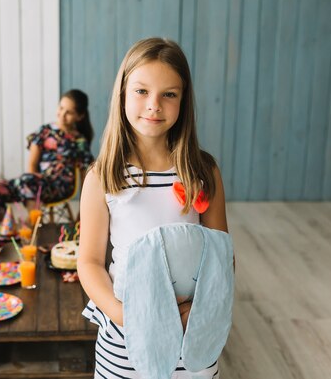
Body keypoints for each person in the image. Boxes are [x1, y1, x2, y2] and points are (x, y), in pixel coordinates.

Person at [77, 38, 230, 379]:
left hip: (194, 336)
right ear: (123, 94)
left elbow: (222, 255)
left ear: (183, 100)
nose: (154, 105)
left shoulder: (203, 171)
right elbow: (88, 262)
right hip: (128, 339)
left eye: (169, 94)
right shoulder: (103, 176)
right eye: (142, 91)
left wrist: (202, 309)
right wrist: (123, 315)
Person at [0, 89, 95, 219]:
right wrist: (32, 186)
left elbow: (85, 177)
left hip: (59, 188)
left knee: (29, 181)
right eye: (61, 108)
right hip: (36, 183)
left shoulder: (79, 141)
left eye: (69, 112)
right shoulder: (44, 131)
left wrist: (83, 209)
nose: (62, 114)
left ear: (79, 116)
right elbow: (32, 163)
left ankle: (31, 229)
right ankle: (10, 229)